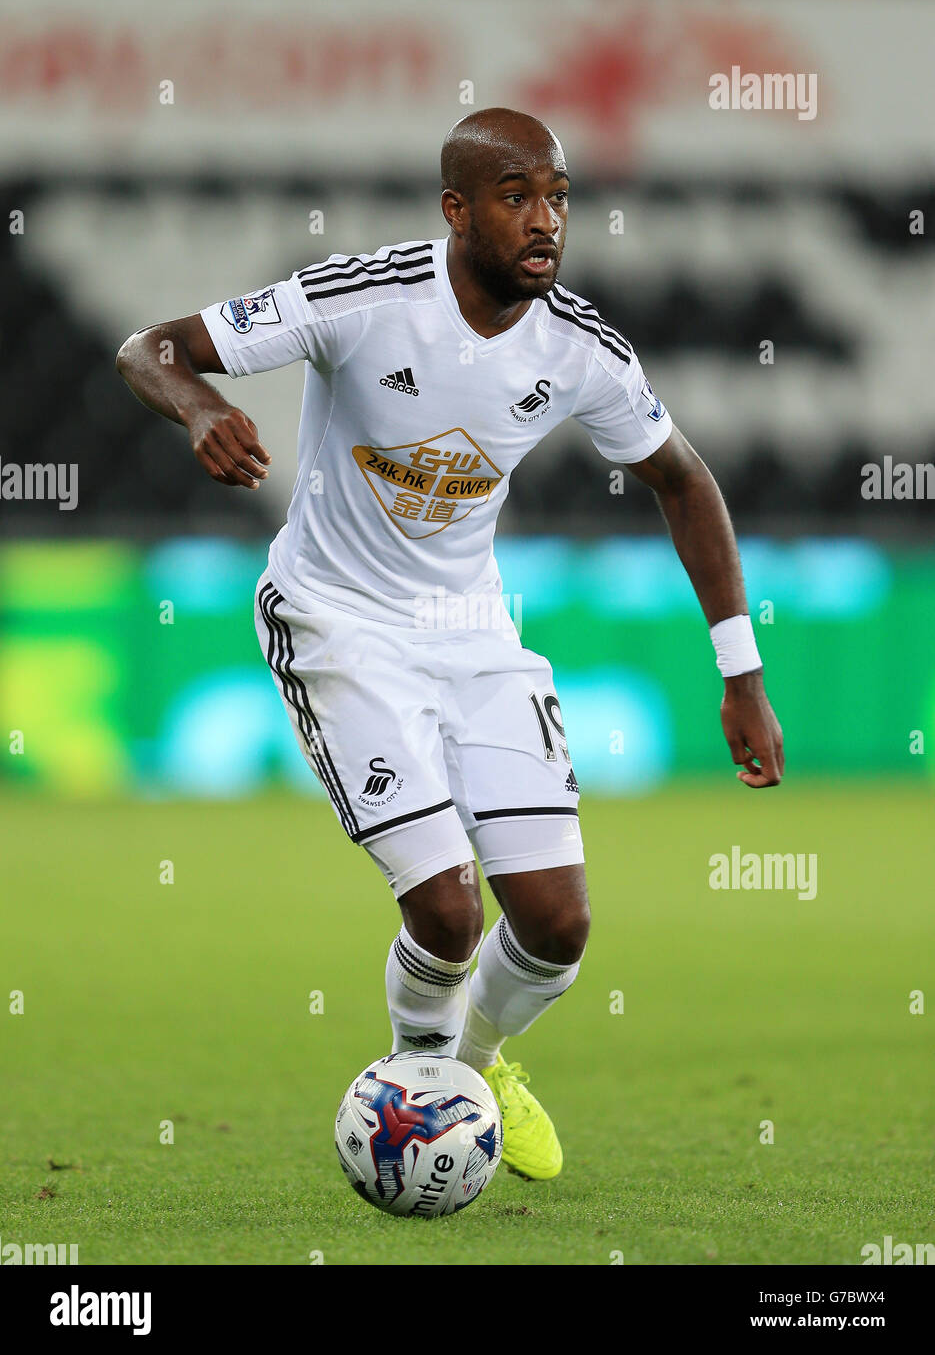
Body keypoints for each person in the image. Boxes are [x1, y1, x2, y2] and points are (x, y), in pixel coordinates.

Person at [116, 108, 783, 1181]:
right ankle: (417, 1084)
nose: (545, 220)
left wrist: (739, 670)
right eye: (516, 196)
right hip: (335, 619)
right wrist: (196, 408)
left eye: (557, 196)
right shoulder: (364, 298)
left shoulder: (577, 346)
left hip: (472, 631)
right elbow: (146, 346)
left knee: (558, 925)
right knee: (444, 909)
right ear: (456, 209)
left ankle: (475, 1065)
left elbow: (683, 481)